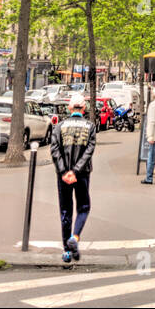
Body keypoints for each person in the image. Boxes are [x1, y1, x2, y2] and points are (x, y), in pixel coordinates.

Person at [50, 96, 97, 263]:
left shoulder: (59, 126)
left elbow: (55, 150)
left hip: (63, 175)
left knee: (65, 211)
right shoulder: (90, 126)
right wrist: (76, 171)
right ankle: (75, 237)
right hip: (82, 173)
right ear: (83, 109)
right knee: (83, 207)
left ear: (70, 109)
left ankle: (66, 251)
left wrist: (65, 171)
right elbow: (89, 150)